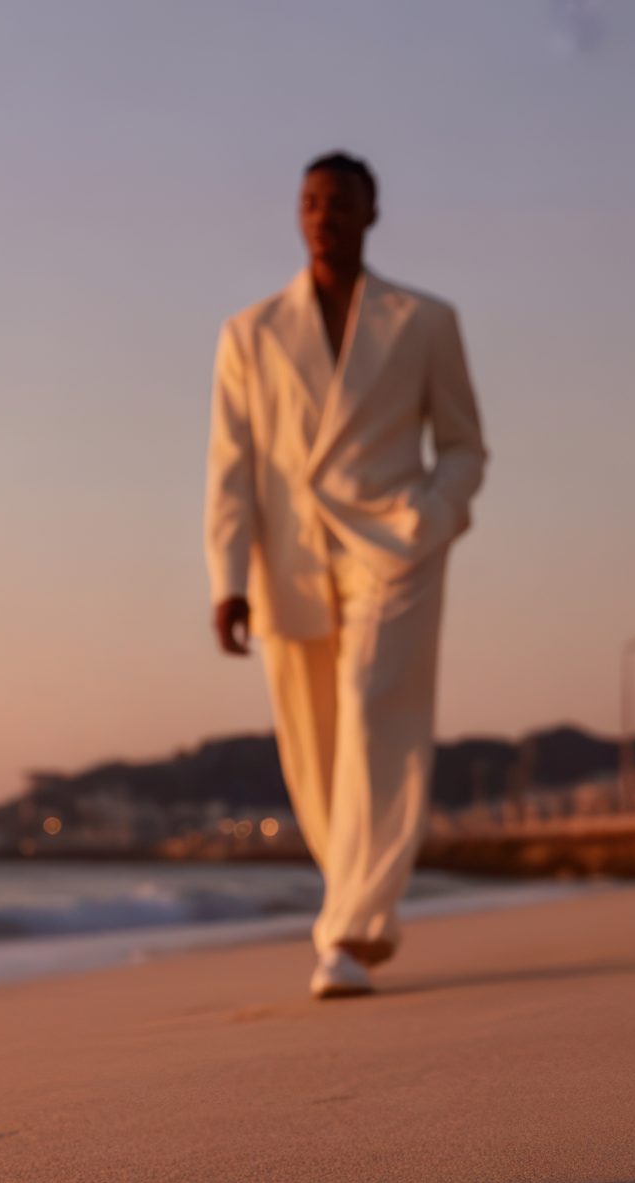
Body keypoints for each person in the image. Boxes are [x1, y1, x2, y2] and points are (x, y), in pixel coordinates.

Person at [204, 152, 487, 999]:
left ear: (371, 213)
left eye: (339, 202)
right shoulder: (250, 333)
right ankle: (356, 905)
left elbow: (466, 444)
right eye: (309, 201)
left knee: (376, 717)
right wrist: (228, 577)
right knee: (315, 749)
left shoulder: (425, 320)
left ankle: (350, 931)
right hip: (287, 558)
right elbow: (232, 467)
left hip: (394, 547)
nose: (322, 214)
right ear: (299, 215)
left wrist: (433, 516)